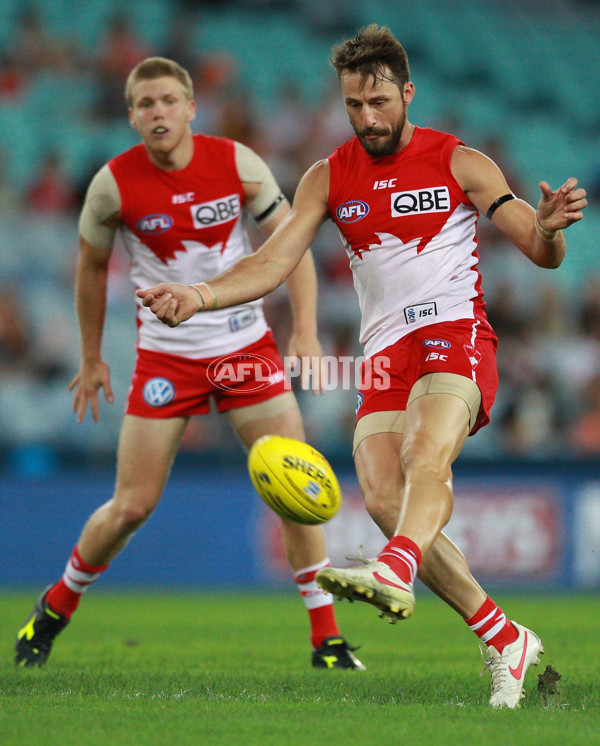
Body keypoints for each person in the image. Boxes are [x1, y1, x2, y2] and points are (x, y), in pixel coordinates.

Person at [136, 26, 587, 708]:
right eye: (354, 105)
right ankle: (503, 636)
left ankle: (397, 568)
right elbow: (272, 261)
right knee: (380, 496)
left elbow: (536, 246)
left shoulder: (459, 161)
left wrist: (549, 228)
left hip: (454, 334)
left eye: (379, 101)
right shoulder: (328, 175)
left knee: (423, 456)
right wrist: (198, 295)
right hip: (381, 357)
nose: (368, 118)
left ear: (408, 93)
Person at [14, 57, 365, 672]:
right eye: (145, 104)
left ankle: (327, 641)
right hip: (167, 359)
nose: (158, 113)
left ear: (190, 107)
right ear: (131, 114)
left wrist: (306, 330)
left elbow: (291, 247)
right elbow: (91, 270)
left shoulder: (236, 164)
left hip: (244, 348)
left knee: (297, 488)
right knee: (131, 507)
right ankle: (55, 607)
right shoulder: (112, 185)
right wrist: (92, 355)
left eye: (168, 101)